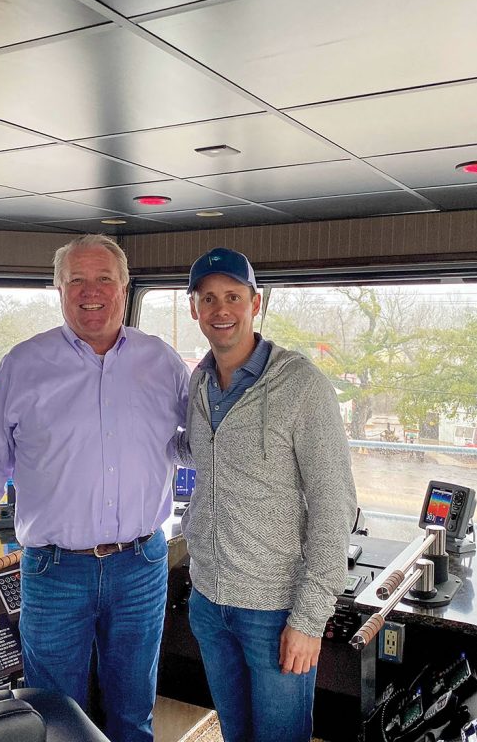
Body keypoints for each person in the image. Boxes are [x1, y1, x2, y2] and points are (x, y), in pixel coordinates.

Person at [0, 234, 189, 742]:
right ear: (58, 289)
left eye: (104, 279)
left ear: (125, 287)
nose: (90, 291)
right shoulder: (24, 365)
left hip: (141, 565)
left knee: (133, 716)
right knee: (56, 719)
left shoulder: (163, 363)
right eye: (76, 279)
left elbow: (196, 446)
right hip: (55, 572)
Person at [176, 247, 357, 742]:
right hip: (209, 602)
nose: (221, 310)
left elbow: (334, 505)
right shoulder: (199, 381)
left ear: (256, 303)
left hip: (274, 611)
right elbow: (197, 450)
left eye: (233, 296)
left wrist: (309, 618)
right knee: (236, 733)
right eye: (208, 298)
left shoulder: (302, 387)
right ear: (194, 308)